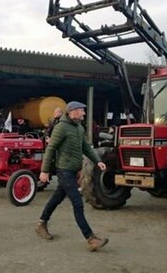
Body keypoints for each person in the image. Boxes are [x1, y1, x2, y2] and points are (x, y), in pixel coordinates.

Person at [35, 101, 109, 252]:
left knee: (56, 198)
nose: (84, 113)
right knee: (78, 203)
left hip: (72, 170)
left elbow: (86, 147)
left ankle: (41, 223)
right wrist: (44, 171)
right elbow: (51, 148)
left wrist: (98, 161)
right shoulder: (61, 128)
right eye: (82, 111)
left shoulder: (78, 128)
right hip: (64, 170)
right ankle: (91, 238)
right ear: (73, 111)